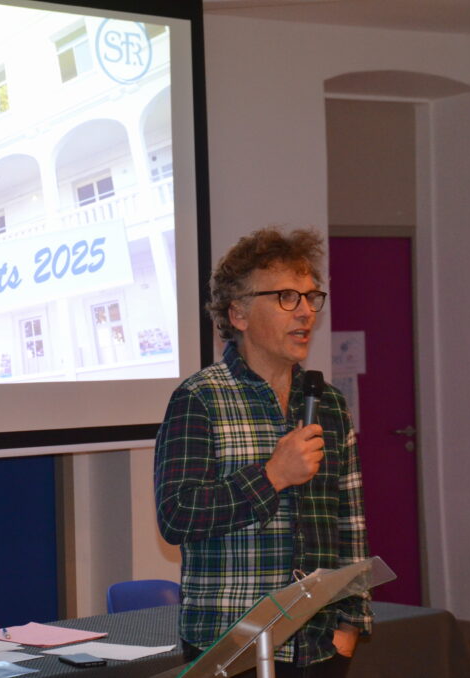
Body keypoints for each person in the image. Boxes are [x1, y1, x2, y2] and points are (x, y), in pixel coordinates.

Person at [154, 227, 371, 677]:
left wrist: (350, 626)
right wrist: (272, 476)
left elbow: (350, 523)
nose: (306, 311)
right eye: (287, 297)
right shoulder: (200, 399)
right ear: (238, 314)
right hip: (231, 648)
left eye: (311, 297)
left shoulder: (328, 403)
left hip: (320, 646)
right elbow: (177, 516)